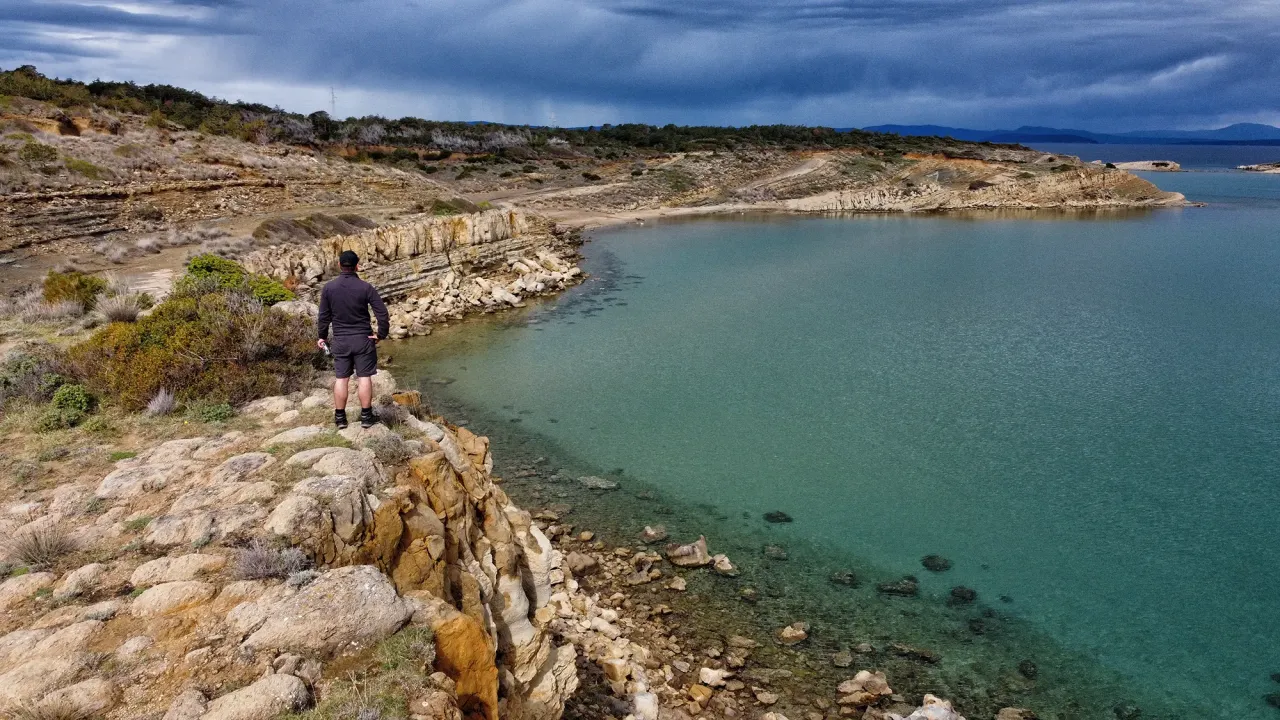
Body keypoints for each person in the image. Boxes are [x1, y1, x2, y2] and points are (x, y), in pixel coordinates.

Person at [316, 250, 389, 429]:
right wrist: (381, 334)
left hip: (341, 340)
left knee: (342, 379)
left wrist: (322, 337)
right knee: (364, 378)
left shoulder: (329, 288)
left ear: (340, 265)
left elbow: (323, 316)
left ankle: (340, 418)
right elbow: (382, 313)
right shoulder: (365, 287)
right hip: (363, 339)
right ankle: (366, 416)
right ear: (357, 266)